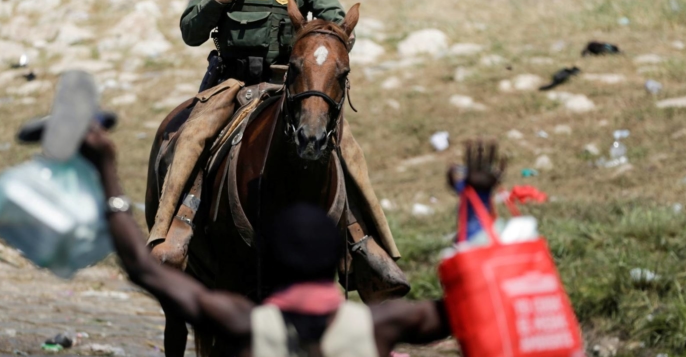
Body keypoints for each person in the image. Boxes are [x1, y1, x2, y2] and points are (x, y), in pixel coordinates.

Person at [150, 0, 404, 299]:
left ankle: (367, 244)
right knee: (194, 135)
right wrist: (217, 0)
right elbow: (189, 32)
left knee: (346, 147)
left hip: (285, 85)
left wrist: (319, 37)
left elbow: (336, 28)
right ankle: (173, 228)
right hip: (231, 85)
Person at [80, 123, 456, 357]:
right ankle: (176, 222)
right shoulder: (382, 325)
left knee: (347, 153)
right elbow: (471, 302)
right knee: (194, 135)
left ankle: (365, 234)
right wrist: (477, 204)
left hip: (299, 90)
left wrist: (104, 169)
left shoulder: (243, 324)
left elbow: (140, 270)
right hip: (235, 86)